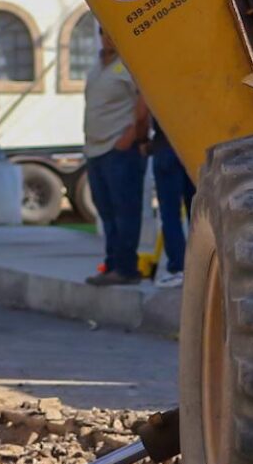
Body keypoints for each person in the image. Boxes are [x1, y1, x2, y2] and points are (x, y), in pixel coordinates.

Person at [80, 35, 150, 285]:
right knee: (106, 213)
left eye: (112, 32)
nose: (108, 38)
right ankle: (111, 265)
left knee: (125, 212)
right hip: (95, 150)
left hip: (119, 149)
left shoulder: (129, 63)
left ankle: (126, 268)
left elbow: (146, 98)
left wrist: (132, 136)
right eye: (103, 32)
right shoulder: (98, 66)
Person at [145, 116, 192, 289]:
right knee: (197, 212)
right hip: (191, 148)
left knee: (170, 214)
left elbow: (143, 111)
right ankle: (202, 267)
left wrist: (143, 140)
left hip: (165, 147)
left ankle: (177, 268)